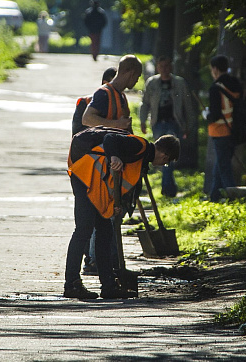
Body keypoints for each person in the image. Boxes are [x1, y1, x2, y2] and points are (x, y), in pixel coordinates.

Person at [64, 129, 181, 299]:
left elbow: (119, 183)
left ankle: (108, 286)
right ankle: (72, 284)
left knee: (105, 232)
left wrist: (116, 206)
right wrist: (114, 156)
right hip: (85, 176)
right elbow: (110, 138)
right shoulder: (139, 145)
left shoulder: (141, 160)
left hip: (96, 186)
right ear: (164, 155)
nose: (163, 164)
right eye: (166, 161)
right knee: (84, 229)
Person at [71, 66, 117, 276]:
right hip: (86, 171)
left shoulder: (120, 106)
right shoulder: (86, 103)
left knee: (106, 221)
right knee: (86, 225)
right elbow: (79, 136)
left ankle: (106, 268)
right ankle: (89, 262)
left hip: (109, 172)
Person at [138, 55, 194, 197]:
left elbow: (187, 105)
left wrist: (189, 124)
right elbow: (145, 103)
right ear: (157, 67)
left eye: (167, 66)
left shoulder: (179, 83)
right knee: (162, 154)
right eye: (161, 66)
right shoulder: (152, 83)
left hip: (175, 123)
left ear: (171, 67)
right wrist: (143, 121)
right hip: (158, 123)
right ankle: (169, 187)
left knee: (169, 153)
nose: (164, 69)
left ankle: (168, 188)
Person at [203, 55, 242, 202]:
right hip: (236, 130)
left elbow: (215, 114)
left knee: (224, 167)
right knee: (221, 164)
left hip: (220, 131)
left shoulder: (215, 88)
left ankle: (234, 199)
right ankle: (214, 196)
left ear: (215, 69)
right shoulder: (237, 84)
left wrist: (206, 114)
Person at [81, 54, 143, 133]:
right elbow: (87, 119)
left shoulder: (122, 96)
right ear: (132, 74)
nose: (137, 80)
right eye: (137, 76)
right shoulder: (104, 93)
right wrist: (117, 124)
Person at [72, 67, 117, 136]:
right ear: (105, 83)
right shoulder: (85, 102)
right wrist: (116, 124)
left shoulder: (121, 102)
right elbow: (77, 135)